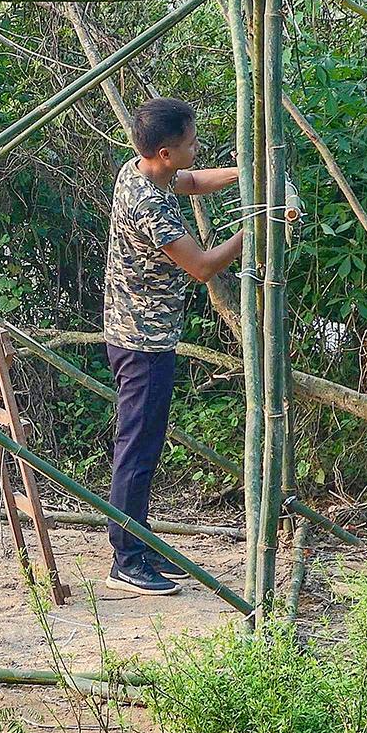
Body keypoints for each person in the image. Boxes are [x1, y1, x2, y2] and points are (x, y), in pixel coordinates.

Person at [101, 97, 242, 596]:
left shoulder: (139, 170)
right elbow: (202, 266)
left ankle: (137, 538)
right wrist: (255, 232)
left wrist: (246, 175)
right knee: (137, 449)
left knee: (144, 443)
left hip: (139, 331)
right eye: (190, 143)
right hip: (142, 340)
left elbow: (192, 180)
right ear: (164, 151)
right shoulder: (150, 208)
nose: (196, 148)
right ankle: (127, 557)